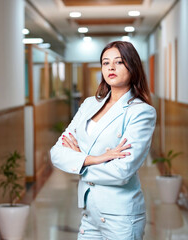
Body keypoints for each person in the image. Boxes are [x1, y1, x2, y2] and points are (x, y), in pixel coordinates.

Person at [50, 41, 156, 240]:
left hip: (121, 217)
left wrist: (77, 160)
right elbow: (56, 153)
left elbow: (121, 172)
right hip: (90, 213)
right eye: (106, 63)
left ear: (132, 67)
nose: (111, 68)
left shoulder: (141, 112)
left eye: (119, 62)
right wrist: (94, 158)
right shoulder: (90, 104)